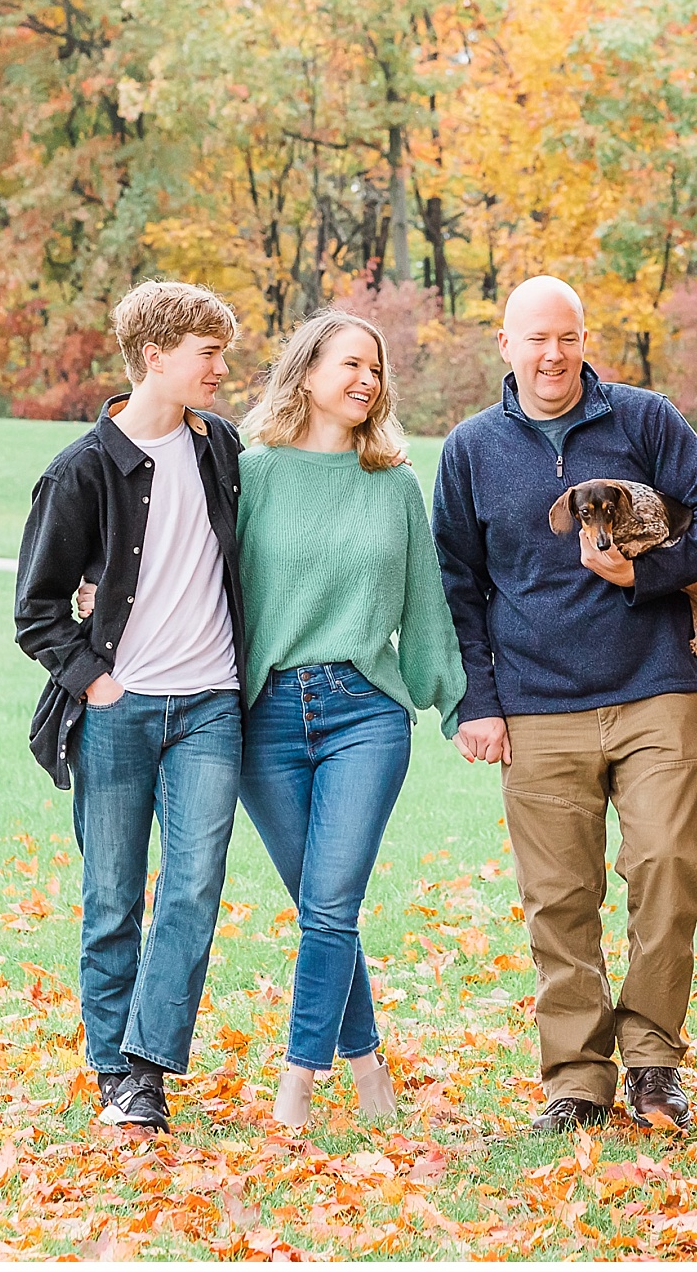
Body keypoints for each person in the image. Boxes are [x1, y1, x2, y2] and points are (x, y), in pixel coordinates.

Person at [433, 275, 697, 1133]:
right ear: (505, 345)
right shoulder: (470, 450)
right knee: (559, 897)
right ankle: (577, 1081)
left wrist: (648, 575)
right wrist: (478, 701)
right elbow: (456, 587)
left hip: (653, 687)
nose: (552, 355)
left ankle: (653, 1065)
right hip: (536, 704)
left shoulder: (644, 420)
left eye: (567, 338)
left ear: (583, 340)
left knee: (668, 869)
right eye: (535, 339)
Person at [14, 280, 249, 1133]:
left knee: (193, 886)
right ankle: (114, 1068)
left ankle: (148, 1066)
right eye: (208, 353)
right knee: (112, 896)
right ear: (156, 357)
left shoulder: (222, 446)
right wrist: (96, 682)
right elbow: (35, 608)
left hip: (211, 707)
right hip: (118, 710)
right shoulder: (82, 470)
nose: (222, 368)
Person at [230, 310, 467, 1127]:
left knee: (331, 904)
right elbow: (201, 580)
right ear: (305, 374)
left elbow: (426, 608)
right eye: (350, 365)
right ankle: (368, 1068)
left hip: (363, 711)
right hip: (264, 719)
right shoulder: (251, 474)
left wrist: (459, 704)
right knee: (322, 907)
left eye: (376, 369)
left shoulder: (396, 482)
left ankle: (297, 1082)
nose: (367, 380)